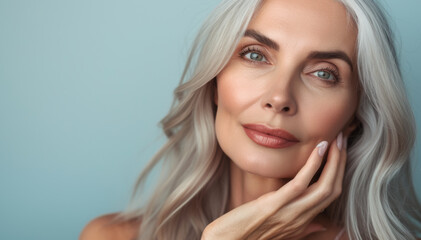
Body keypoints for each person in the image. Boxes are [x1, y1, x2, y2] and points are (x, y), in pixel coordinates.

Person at [80, 0, 421, 239]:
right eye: (255, 55)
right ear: (215, 82)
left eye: (323, 74)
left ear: (354, 115)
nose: (279, 98)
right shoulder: (111, 236)